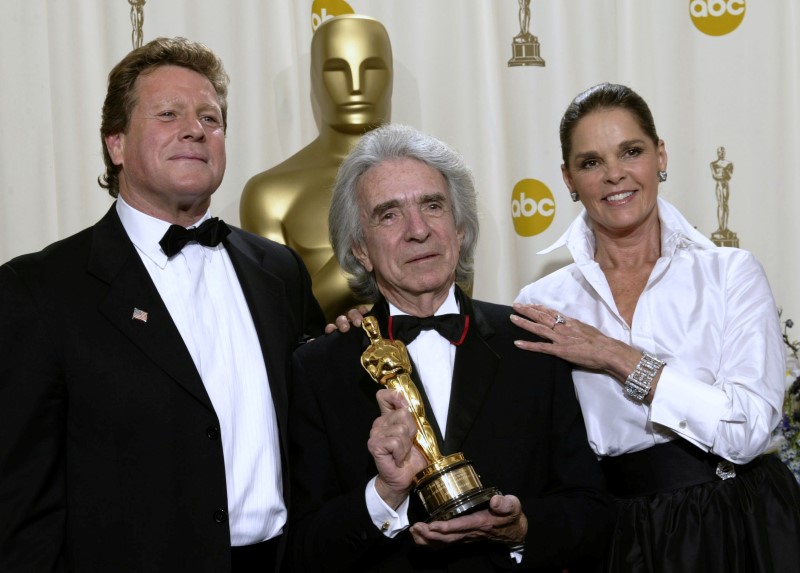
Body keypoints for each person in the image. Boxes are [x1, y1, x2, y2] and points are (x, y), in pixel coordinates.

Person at [0, 37, 324, 573]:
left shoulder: (279, 272)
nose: (195, 129)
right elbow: (19, 502)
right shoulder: (38, 291)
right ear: (117, 145)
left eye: (210, 118)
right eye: (168, 114)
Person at [287, 123, 615, 572]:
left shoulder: (531, 343)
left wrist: (521, 528)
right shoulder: (319, 368)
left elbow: (592, 512)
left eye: (433, 206)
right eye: (389, 214)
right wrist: (383, 495)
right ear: (360, 249)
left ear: (460, 229)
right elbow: (303, 550)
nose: (417, 230)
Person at [512, 82, 800, 572]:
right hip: (616, 538)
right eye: (590, 162)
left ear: (660, 155)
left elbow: (748, 430)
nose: (614, 175)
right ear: (568, 178)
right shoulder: (542, 304)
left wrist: (615, 356)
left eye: (631, 151)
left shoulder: (730, 273)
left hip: (740, 521)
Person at [240, 14, 393, 321]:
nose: (355, 86)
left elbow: (453, 300)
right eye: (336, 70)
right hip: (319, 365)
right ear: (314, 80)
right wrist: (366, 255)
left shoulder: (432, 182)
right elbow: (281, 321)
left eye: (372, 69)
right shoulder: (270, 195)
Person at [710, 146, 734, 232]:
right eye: (719, 152)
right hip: (719, 184)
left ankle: (725, 227)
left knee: (725, 204)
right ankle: (721, 227)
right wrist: (722, 173)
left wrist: (723, 173)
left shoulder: (729, 163)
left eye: (722, 152)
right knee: (720, 204)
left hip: (725, 184)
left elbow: (729, 176)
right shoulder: (713, 164)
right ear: (717, 153)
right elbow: (715, 176)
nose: (721, 154)